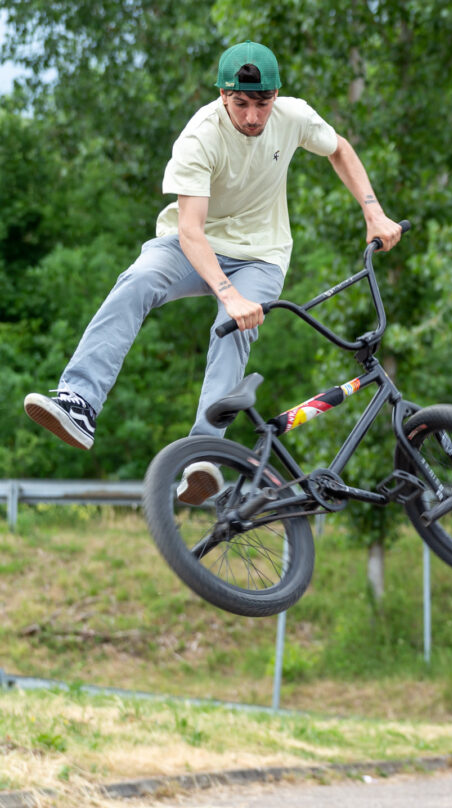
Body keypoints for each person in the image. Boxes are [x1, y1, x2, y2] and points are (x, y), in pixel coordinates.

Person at [24, 40, 402, 504]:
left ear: (276, 95)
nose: (252, 117)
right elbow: (190, 231)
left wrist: (373, 211)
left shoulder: (294, 116)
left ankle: (204, 452)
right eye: (240, 104)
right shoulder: (200, 137)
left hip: (262, 255)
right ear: (223, 95)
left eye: (262, 104)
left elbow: (339, 148)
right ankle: (79, 401)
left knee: (234, 328)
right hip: (192, 244)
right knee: (138, 280)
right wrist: (228, 292)